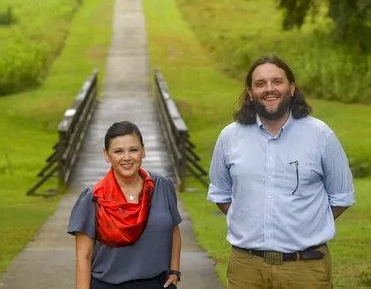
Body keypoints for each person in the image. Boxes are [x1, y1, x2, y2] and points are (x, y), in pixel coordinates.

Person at [207, 54, 355, 288]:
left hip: (306, 269)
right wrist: (250, 219)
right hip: (247, 269)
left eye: (277, 81)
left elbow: (341, 197)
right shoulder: (229, 137)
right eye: (260, 83)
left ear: (292, 88)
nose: (269, 89)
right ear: (249, 92)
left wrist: (304, 225)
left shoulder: (321, 135)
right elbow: (221, 194)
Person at [68, 121, 182, 289]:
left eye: (133, 150)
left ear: (143, 151)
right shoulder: (93, 198)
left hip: (157, 284)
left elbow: (174, 230)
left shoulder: (162, 186)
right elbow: (83, 257)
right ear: (106, 155)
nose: (127, 157)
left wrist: (174, 271)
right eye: (118, 151)